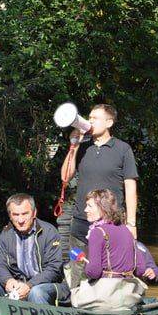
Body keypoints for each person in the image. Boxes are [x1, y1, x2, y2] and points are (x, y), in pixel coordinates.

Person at [60, 103, 138, 286]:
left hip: (111, 224)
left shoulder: (122, 149)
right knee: (77, 268)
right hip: (80, 222)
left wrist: (131, 223)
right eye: (89, 117)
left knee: (107, 270)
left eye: (95, 118)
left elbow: (130, 186)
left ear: (109, 122)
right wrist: (75, 146)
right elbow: (65, 177)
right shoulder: (83, 147)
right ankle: (75, 306)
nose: (90, 121)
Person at [70, 189, 158, 313]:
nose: (85, 210)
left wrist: (87, 265)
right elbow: (140, 269)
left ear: (102, 208)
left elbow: (94, 272)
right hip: (129, 297)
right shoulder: (127, 231)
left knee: (72, 294)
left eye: (90, 206)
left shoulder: (97, 232)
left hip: (106, 298)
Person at [0, 193, 69, 305]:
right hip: (17, 284)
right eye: (16, 215)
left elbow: (54, 268)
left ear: (34, 213)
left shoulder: (49, 232)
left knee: (36, 293)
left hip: (47, 285)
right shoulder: (6, 233)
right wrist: (8, 280)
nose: (21, 220)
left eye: (25, 214)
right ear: (10, 216)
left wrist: (30, 285)